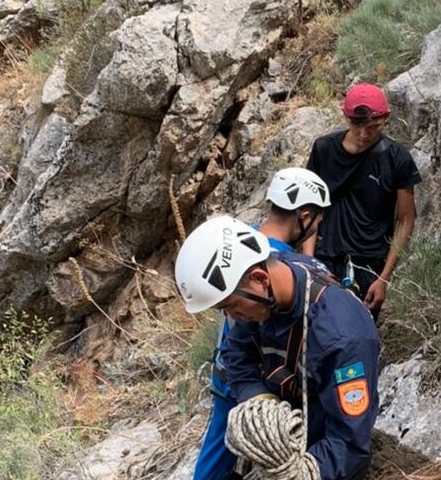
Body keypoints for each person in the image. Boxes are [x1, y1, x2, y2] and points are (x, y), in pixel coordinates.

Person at [177, 212, 379, 480]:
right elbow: (237, 355)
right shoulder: (264, 294)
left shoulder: (342, 339)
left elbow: (349, 442)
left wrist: (301, 473)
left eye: (232, 307)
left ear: (260, 278)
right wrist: (263, 405)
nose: (232, 318)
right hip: (291, 434)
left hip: (321, 453)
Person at [191, 167, 333, 480]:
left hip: (229, 374)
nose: (317, 228)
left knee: (215, 456)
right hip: (257, 380)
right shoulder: (277, 265)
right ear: (305, 214)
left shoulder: (242, 245)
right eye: (318, 220)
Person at [307, 83, 421, 318]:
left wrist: (383, 279)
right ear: (346, 117)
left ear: (385, 118)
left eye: (372, 127)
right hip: (325, 260)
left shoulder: (397, 159)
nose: (363, 134)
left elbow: (406, 219)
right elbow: (310, 209)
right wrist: (309, 265)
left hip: (369, 266)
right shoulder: (324, 150)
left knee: (359, 337)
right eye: (356, 125)